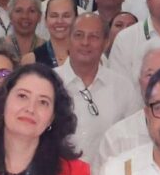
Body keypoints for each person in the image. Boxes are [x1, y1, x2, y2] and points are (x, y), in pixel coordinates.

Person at [51, 11, 138, 142]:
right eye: (79, 35)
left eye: (94, 37)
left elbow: (133, 138)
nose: (85, 42)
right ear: (68, 40)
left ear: (106, 43)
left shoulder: (123, 87)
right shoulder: (49, 82)